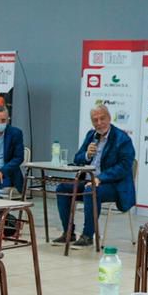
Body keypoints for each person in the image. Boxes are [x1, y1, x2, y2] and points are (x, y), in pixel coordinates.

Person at [53, 105, 136, 248]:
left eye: (102, 119)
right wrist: (87, 155)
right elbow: (77, 158)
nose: (99, 123)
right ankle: (68, 232)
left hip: (114, 185)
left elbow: (124, 166)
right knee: (62, 188)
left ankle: (87, 235)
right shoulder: (91, 135)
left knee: (90, 190)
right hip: (90, 181)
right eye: (95, 120)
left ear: (109, 118)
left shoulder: (122, 138)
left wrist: (100, 178)